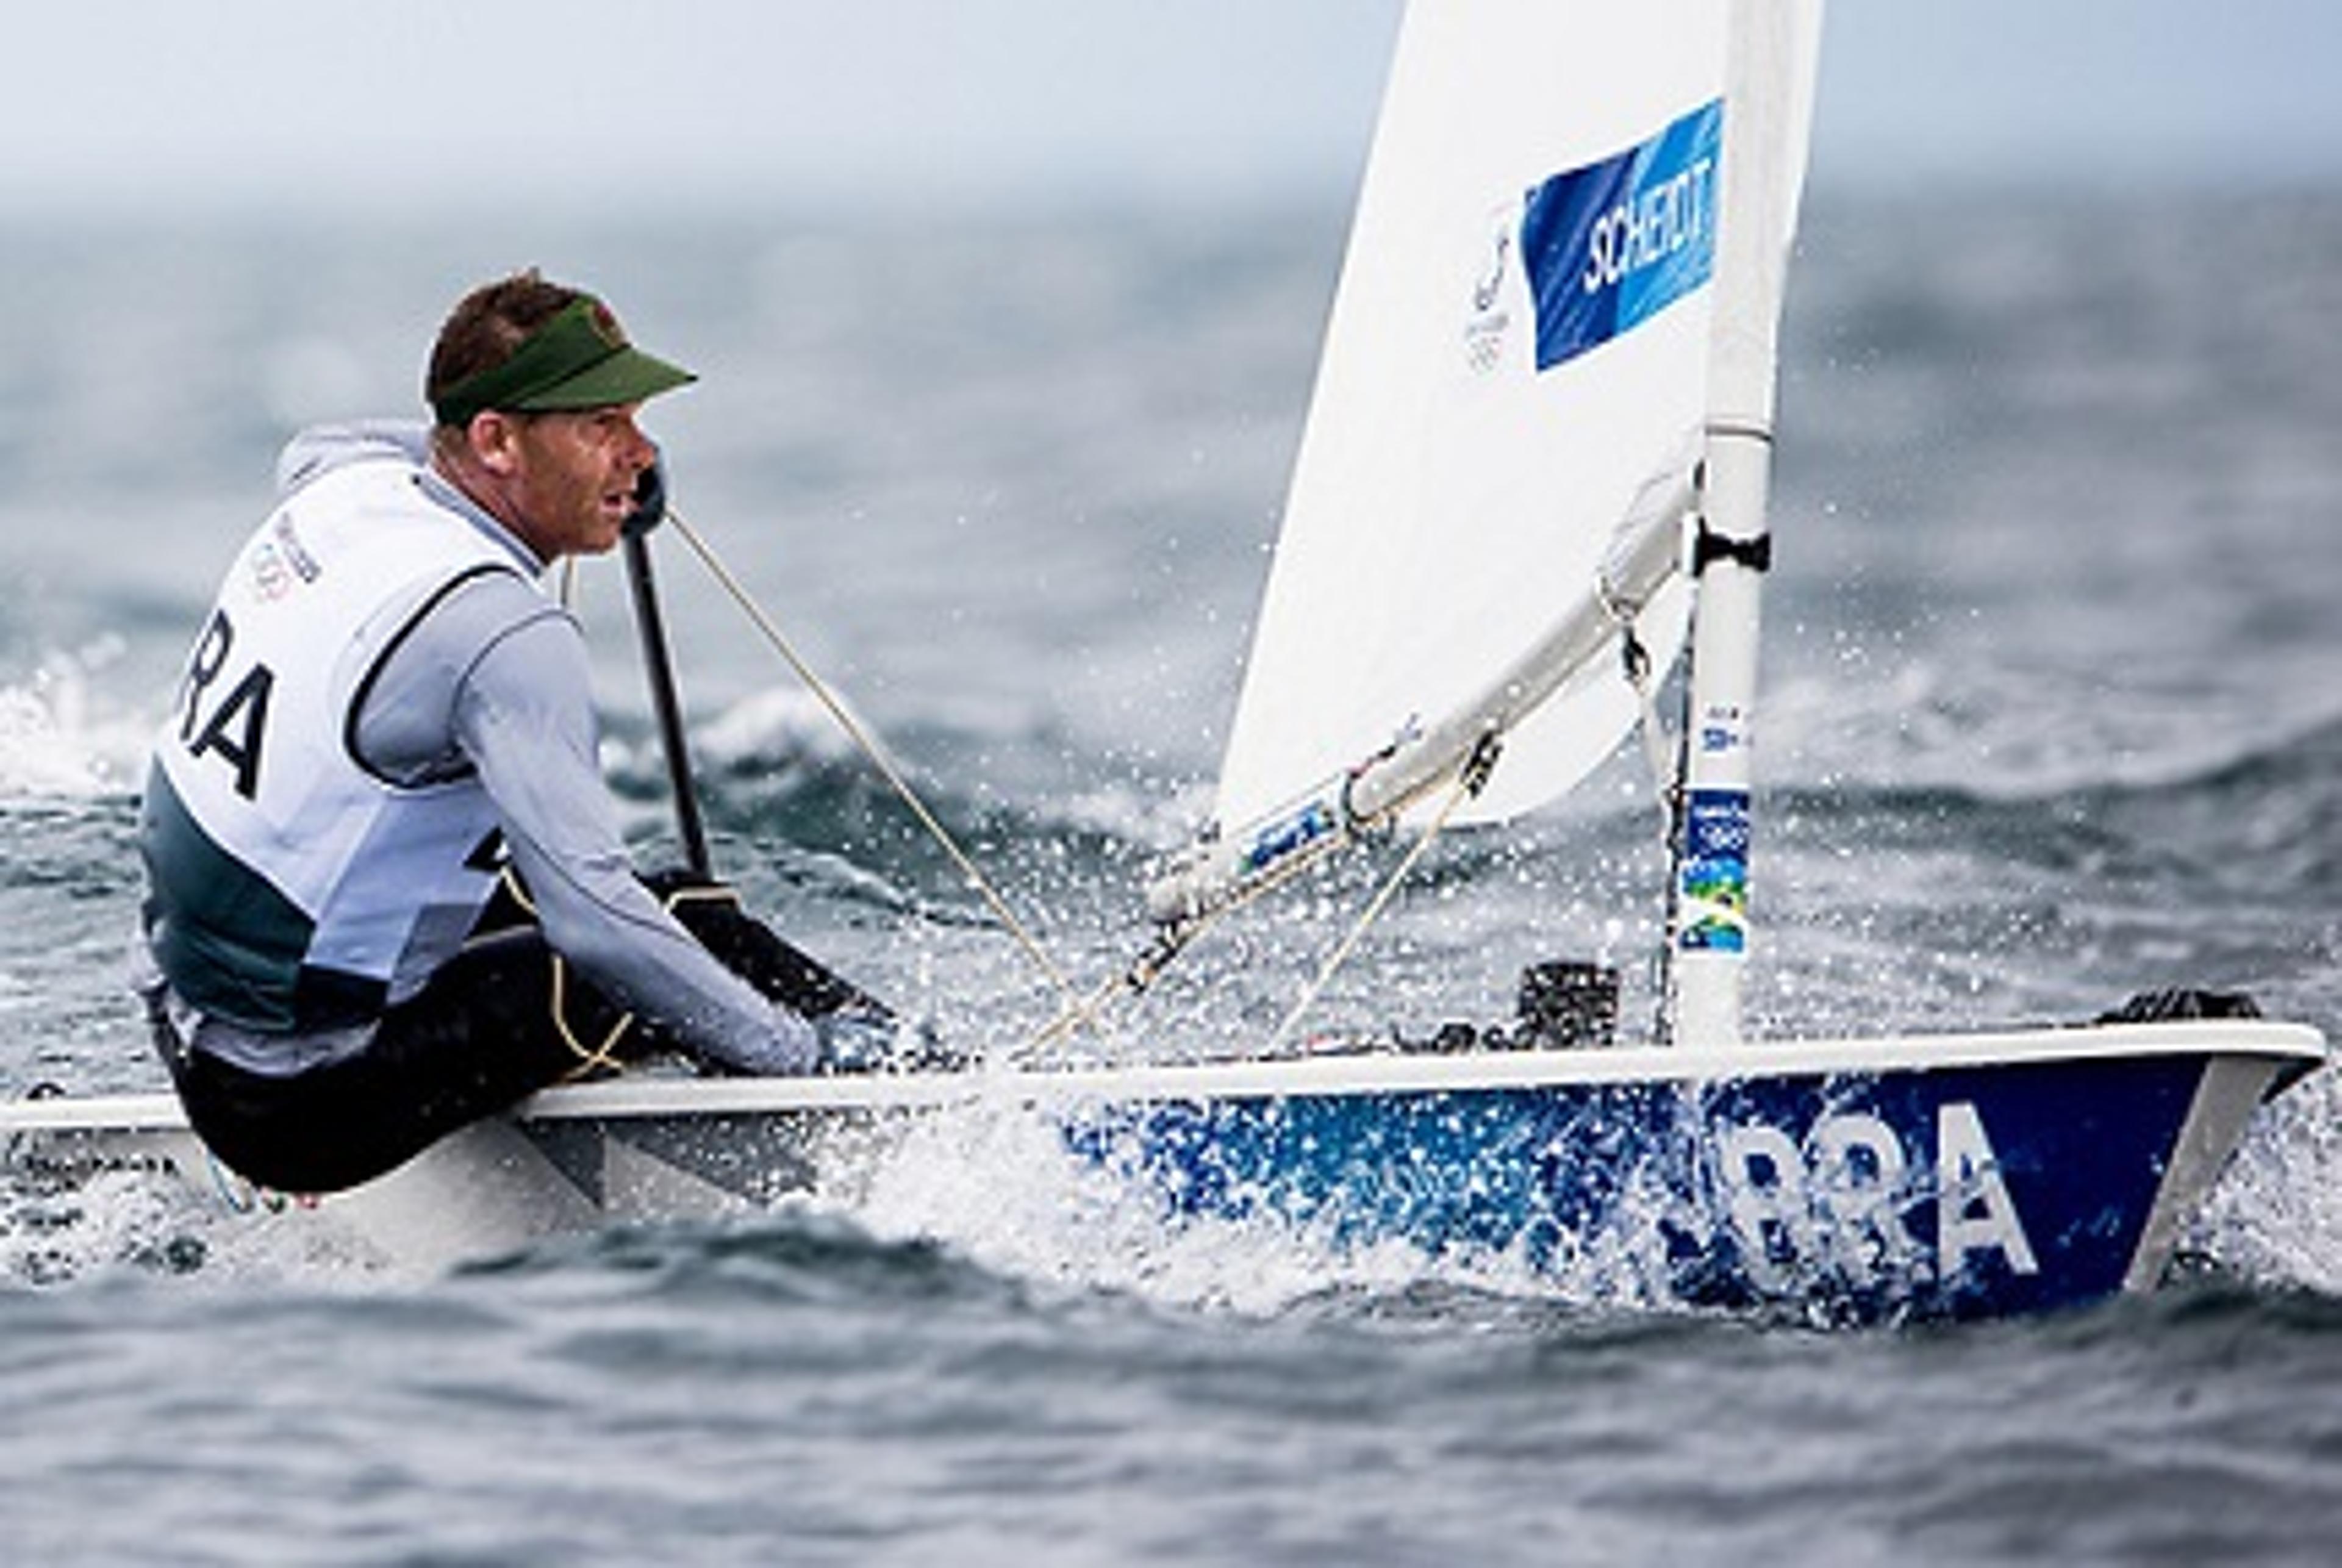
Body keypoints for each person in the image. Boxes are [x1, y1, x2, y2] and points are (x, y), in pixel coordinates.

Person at [135, 270, 889, 1195]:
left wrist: (592, 480)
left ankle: (875, 1077)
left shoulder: (342, 485)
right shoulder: (505, 634)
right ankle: (922, 1107)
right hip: (297, 1107)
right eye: (599, 427)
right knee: (680, 925)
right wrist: (798, 1059)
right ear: (493, 440)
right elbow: (597, 931)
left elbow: (327, 439)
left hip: (184, 1018)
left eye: (634, 423)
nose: (640, 454)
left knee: (635, 913)